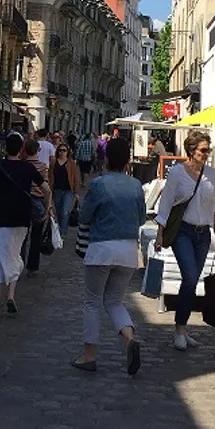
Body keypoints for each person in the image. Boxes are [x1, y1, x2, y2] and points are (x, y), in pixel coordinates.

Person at [71, 137, 146, 376]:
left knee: (92, 301)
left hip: (102, 248)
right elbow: (142, 218)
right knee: (114, 301)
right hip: (128, 250)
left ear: (106, 159)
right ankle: (128, 336)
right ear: (127, 161)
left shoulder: (99, 184)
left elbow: (84, 216)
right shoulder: (136, 185)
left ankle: (89, 355)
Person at [154, 129, 215, 351]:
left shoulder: (211, 174)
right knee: (190, 277)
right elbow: (165, 205)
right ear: (191, 151)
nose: (206, 154)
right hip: (183, 232)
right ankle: (180, 330)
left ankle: (183, 328)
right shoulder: (176, 173)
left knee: (192, 281)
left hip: (204, 235)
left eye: (208, 150)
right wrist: (159, 234)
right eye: (203, 150)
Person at [0, 133, 50, 316]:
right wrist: (47, 207)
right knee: (14, 256)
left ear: (6, 149)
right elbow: (45, 189)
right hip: (22, 218)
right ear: (21, 149)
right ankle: (11, 295)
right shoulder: (28, 168)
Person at [22, 138, 50, 276]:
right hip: (38, 201)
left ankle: (19, 263)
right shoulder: (43, 166)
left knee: (22, 235)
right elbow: (46, 187)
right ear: (37, 151)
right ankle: (32, 267)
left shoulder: (22, 165)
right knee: (36, 236)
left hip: (24, 201)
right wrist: (48, 206)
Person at [51, 141, 81, 240]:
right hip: (57, 190)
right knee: (59, 212)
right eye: (60, 150)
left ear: (68, 152)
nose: (62, 152)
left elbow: (76, 178)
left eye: (64, 150)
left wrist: (76, 192)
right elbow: (50, 176)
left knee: (65, 211)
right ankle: (59, 229)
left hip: (68, 190)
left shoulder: (71, 163)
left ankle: (62, 233)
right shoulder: (54, 162)